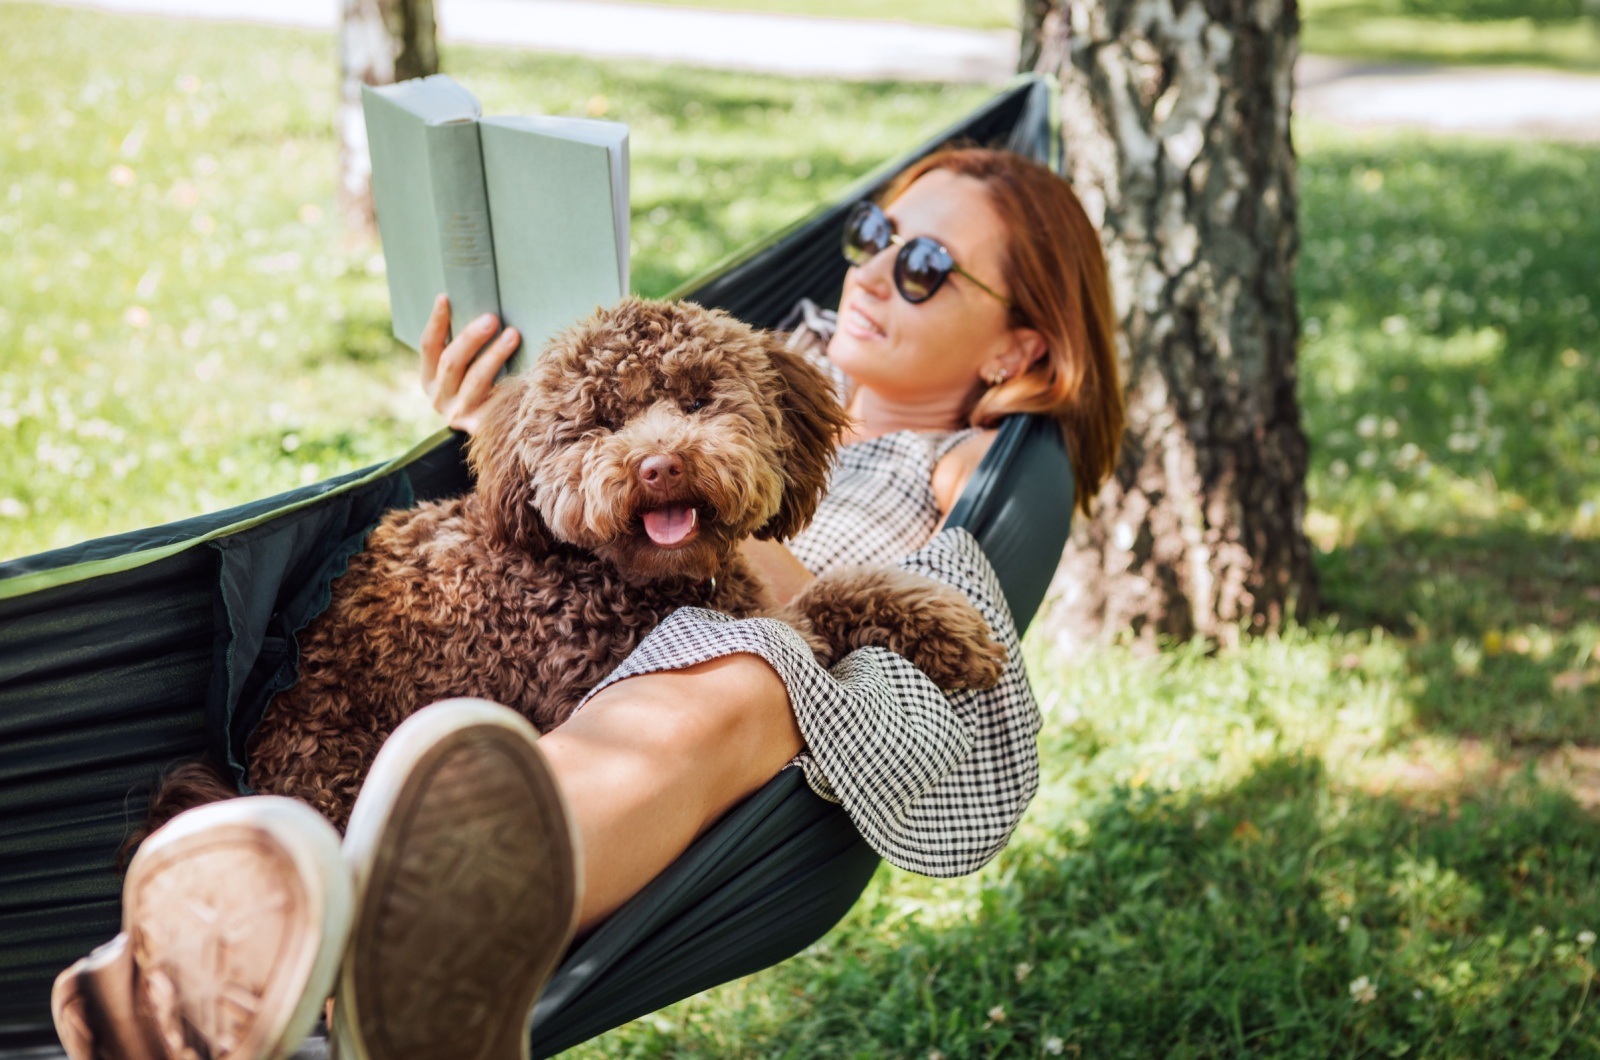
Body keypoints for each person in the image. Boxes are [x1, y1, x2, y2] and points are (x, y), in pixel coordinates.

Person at [53, 147, 1125, 1060]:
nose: (877, 274)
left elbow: (943, 628)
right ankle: (220, 970)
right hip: (527, 649)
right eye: (873, 234)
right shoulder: (757, 347)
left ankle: (348, 938)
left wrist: (746, 541)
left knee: (735, 672)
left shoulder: (964, 464)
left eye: (927, 265)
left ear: (1017, 348)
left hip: (749, 666)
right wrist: (493, 419)